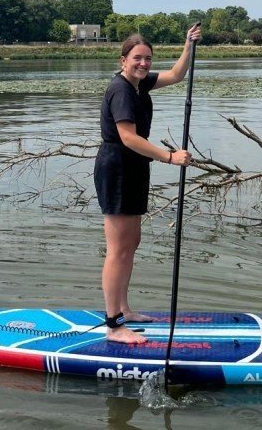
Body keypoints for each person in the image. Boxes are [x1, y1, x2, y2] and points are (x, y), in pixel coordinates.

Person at [94, 23, 201, 343]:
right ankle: (113, 325)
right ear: (123, 59)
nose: (144, 63)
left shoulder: (140, 85)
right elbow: (127, 137)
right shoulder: (122, 90)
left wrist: (188, 46)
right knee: (117, 250)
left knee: (131, 244)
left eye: (148, 59)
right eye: (137, 58)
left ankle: (125, 309)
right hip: (117, 168)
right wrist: (169, 157)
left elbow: (177, 75)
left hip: (135, 167)